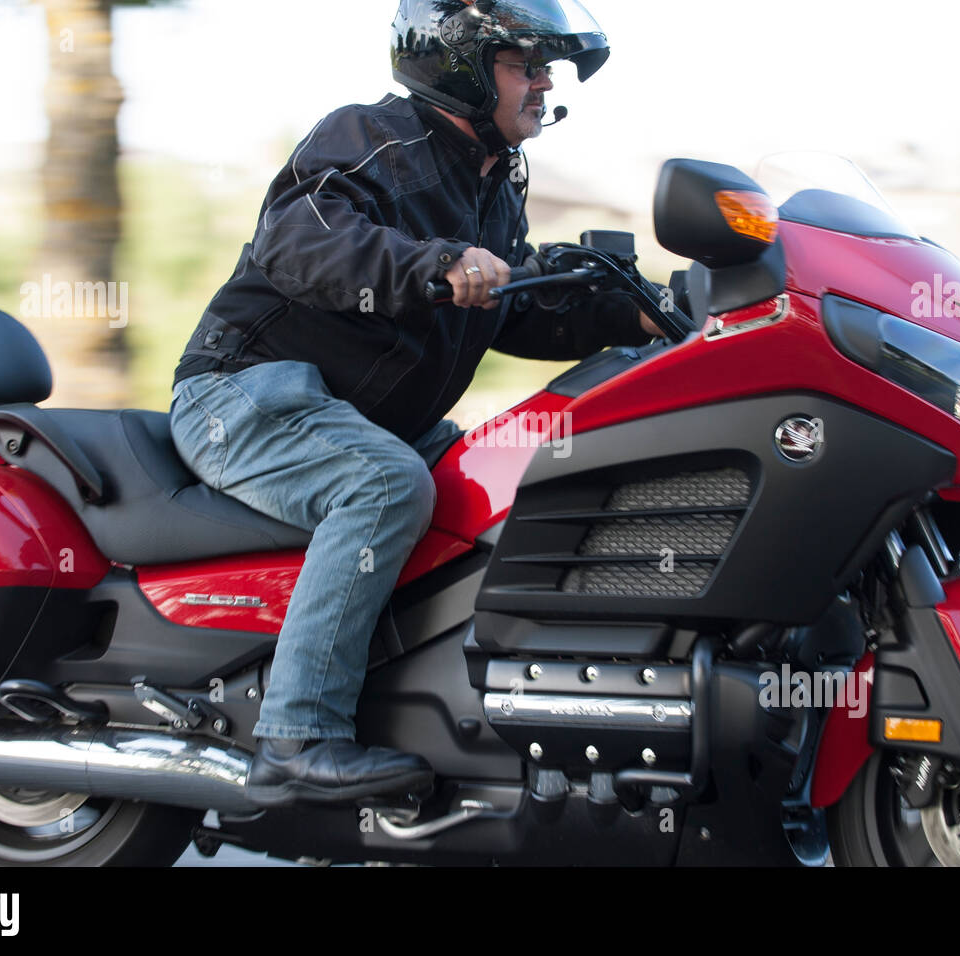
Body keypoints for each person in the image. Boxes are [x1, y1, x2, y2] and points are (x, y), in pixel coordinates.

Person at [168, 0, 659, 807]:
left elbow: (514, 305)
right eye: (524, 64)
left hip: (363, 419)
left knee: (505, 482)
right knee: (386, 486)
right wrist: (435, 262)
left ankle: (453, 711)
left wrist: (638, 310)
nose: (543, 82)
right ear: (462, 66)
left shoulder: (493, 189)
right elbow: (297, 241)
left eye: (547, 69)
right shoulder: (372, 138)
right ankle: (296, 736)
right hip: (243, 392)